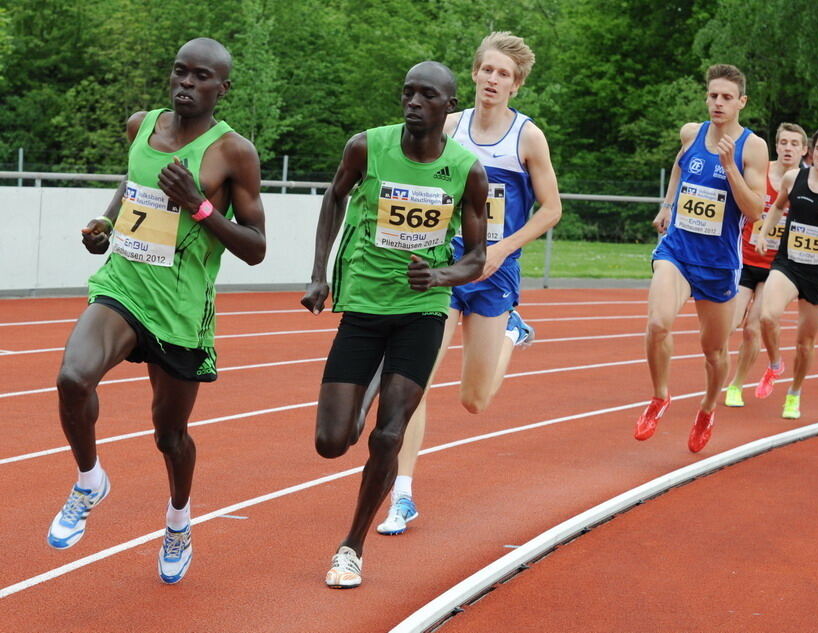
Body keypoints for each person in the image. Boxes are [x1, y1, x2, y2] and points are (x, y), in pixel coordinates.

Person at [46, 38, 266, 585]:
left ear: (222, 88)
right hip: (124, 285)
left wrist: (199, 205)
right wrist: (106, 224)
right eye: (179, 72)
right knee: (73, 378)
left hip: (180, 307)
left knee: (169, 435)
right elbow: (134, 185)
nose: (185, 84)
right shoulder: (142, 125)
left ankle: (178, 520)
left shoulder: (233, 152)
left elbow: (256, 246)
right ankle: (90, 479)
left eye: (200, 77)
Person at [300, 61, 488, 588]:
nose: (413, 102)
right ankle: (371, 385)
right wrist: (320, 275)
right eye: (408, 92)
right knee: (332, 442)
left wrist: (441, 275)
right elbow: (335, 196)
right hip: (363, 304)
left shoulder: (465, 170)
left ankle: (351, 547)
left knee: (388, 435)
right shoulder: (367, 146)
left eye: (427, 95)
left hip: (421, 313)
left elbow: (476, 257)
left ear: (448, 106)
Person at [373, 32, 561, 536]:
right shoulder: (450, 127)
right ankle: (403, 493)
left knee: (474, 400)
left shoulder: (527, 137)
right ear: (474, 74)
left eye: (504, 74)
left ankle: (508, 334)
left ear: (515, 85)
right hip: (446, 268)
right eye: (487, 70)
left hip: (495, 272)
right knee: (412, 383)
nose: (493, 80)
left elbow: (552, 209)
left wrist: (501, 249)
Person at [636, 64, 768, 452]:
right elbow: (680, 165)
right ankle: (660, 397)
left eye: (727, 97)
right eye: (713, 96)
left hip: (719, 263)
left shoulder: (753, 147)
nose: (718, 103)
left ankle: (708, 408)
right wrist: (668, 203)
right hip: (677, 251)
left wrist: (729, 168)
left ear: (742, 102)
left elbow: (755, 209)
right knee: (658, 323)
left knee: (713, 351)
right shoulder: (692, 133)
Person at [753, 125, 818, 418]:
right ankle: (775, 365)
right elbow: (777, 207)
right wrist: (764, 233)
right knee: (766, 315)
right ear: (811, 151)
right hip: (788, 263)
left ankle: (794, 392)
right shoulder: (794, 177)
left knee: (805, 343)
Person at [724, 122, 809, 408]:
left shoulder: (808, 182)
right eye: (783, 142)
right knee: (729, 323)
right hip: (745, 258)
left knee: (753, 326)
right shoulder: (761, 172)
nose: (788, 148)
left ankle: (736, 384)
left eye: (794, 144)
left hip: (778, 267)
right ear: (777, 146)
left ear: (803, 150)